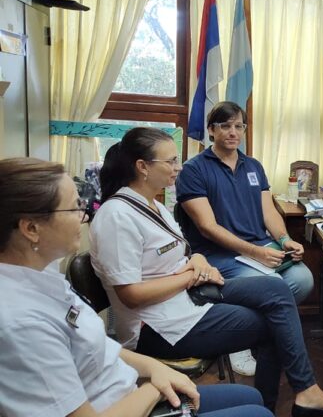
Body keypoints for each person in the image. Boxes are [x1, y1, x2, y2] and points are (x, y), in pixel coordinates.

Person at [90, 127, 323, 417]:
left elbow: (180, 251)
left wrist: (199, 260)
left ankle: (304, 393)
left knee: (277, 289)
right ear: (142, 166)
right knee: (273, 325)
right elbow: (130, 295)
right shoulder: (117, 216)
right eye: (171, 162)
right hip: (158, 326)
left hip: (186, 297)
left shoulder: (153, 205)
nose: (178, 168)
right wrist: (191, 275)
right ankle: (276, 404)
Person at [0, 157, 273, 417]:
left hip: (125, 388)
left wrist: (154, 368)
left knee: (252, 398)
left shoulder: (43, 275)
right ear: (31, 228)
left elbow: (97, 346)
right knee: (257, 412)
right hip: (123, 401)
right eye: (73, 208)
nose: (84, 214)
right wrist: (154, 388)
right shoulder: (22, 323)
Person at [175, 101, 314, 374]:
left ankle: (251, 332)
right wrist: (256, 252)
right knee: (273, 285)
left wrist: (285, 240)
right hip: (218, 256)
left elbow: (268, 213)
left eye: (239, 126)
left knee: (303, 279)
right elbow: (207, 227)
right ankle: (241, 341)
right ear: (211, 130)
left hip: (259, 248)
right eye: (225, 126)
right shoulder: (194, 170)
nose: (233, 132)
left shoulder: (253, 166)